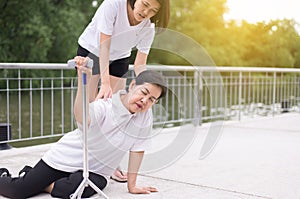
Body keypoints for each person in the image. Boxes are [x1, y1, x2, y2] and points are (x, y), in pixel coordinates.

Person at [0, 56, 167, 199]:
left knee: (77, 190)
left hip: (96, 172)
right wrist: (82, 81)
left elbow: (138, 149)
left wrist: (132, 186)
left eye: (152, 99)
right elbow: (81, 117)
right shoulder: (105, 106)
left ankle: (39, 182)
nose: (145, 101)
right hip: (64, 159)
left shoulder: (145, 116)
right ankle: (8, 175)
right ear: (132, 86)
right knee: (17, 191)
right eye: (143, 92)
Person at [77, 0, 170, 181]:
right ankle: (83, 160)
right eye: (144, 4)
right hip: (93, 51)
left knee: (118, 113)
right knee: (89, 112)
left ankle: (110, 164)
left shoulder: (147, 28)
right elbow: (104, 45)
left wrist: (147, 89)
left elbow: (140, 64)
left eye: (153, 11)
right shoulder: (113, 4)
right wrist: (105, 83)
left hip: (120, 57)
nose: (146, 12)